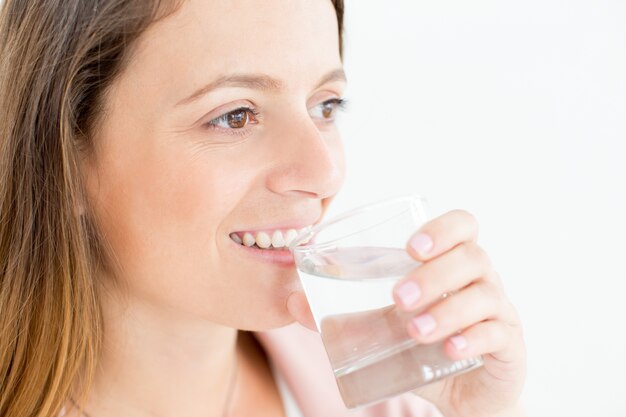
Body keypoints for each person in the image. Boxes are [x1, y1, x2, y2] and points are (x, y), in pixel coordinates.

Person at [0, 0, 527, 416]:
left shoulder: (381, 386)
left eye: (325, 105)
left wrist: (483, 413)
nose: (325, 174)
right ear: (63, 159)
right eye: (234, 116)